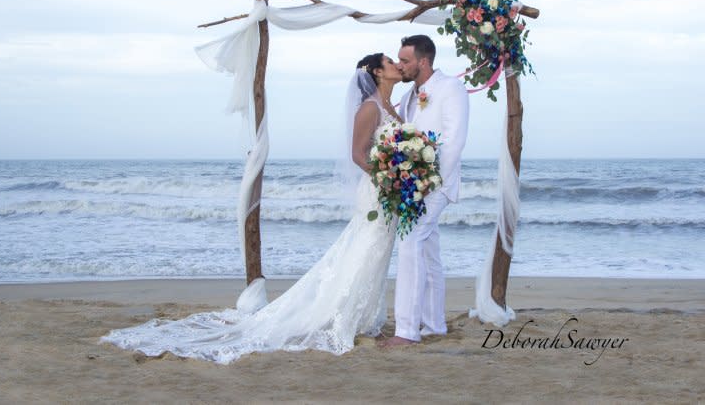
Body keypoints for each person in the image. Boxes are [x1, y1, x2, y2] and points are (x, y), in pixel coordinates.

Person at [101, 53, 403, 362]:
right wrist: (389, 179)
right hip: (378, 191)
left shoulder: (391, 106)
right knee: (366, 249)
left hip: (388, 191)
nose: (396, 65)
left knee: (376, 252)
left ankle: (365, 317)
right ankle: (344, 317)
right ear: (377, 72)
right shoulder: (369, 108)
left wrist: (403, 172)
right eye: (390, 62)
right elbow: (357, 154)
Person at [380, 35, 469, 347]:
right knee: (429, 253)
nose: (400, 65)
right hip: (412, 185)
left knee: (409, 244)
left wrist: (428, 182)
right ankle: (433, 325)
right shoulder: (407, 97)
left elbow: (455, 140)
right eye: (399, 60)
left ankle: (406, 330)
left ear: (423, 61)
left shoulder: (451, 89)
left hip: (436, 184)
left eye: (405, 61)